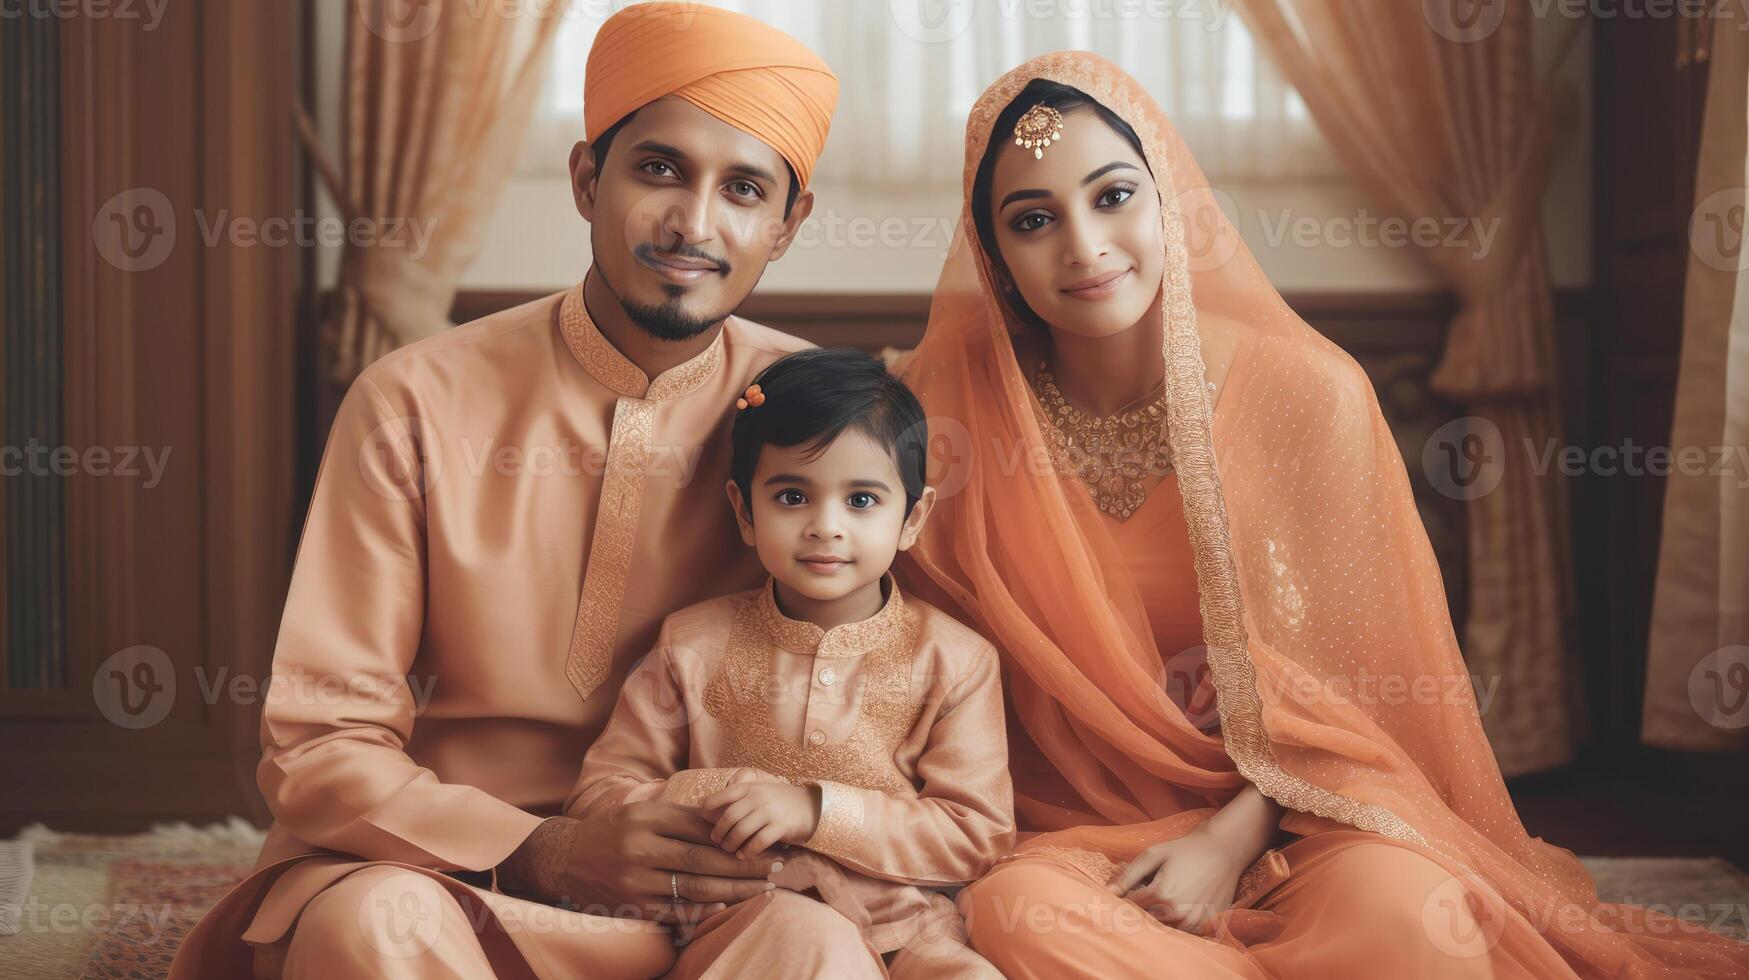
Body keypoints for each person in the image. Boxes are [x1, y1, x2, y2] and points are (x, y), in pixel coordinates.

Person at [896, 52, 1749, 978]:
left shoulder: (1306, 392)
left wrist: (1225, 845)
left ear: (1171, 197)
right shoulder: (948, 410)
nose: (1082, 245)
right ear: (993, 254)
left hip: (1306, 819)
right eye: (1032, 220)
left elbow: (1366, 694)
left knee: (1418, 919)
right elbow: (909, 664)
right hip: (1074, 832)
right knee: (1018, 917)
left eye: (1112, 196)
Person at [167, 5, 858, 977]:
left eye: (743, 188)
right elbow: (320, 737)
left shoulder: (823, 424)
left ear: (787, 225)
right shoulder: (412, 398)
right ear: (588, 179)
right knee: (369, 928)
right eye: (658, 168)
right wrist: (541, 846)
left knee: (816, 946)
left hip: (704, 903)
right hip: (446, 878)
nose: (693, 223)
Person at [568, 347, 1013, 978]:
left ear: (912, 518)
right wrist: (720, 796)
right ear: (745, 511)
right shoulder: (692, 642)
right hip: (741, 925)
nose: (825, 526)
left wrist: (814, 808)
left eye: (861, 501)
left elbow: (977, 835)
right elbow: (598, 798)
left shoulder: (957, 660)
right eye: (792, 496)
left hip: (906, 932)